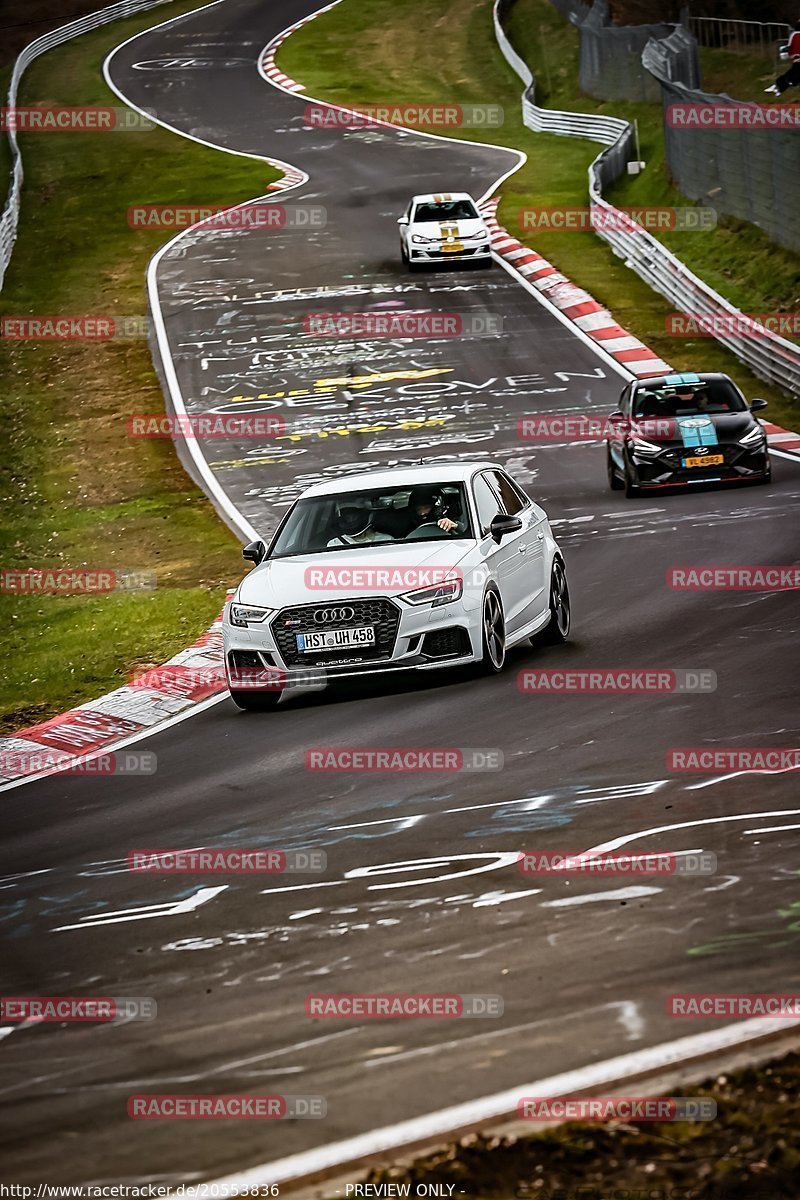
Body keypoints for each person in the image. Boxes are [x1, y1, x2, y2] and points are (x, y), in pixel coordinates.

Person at [765, 21, 800, 95]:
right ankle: (779, 87)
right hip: (797, 57)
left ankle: (780, 87)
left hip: (796, 57)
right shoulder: (795, 35)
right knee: (793, 73)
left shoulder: (794, 35)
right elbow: (790, 46)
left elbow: (790, 46)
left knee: (793, 73)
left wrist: (790, 54)